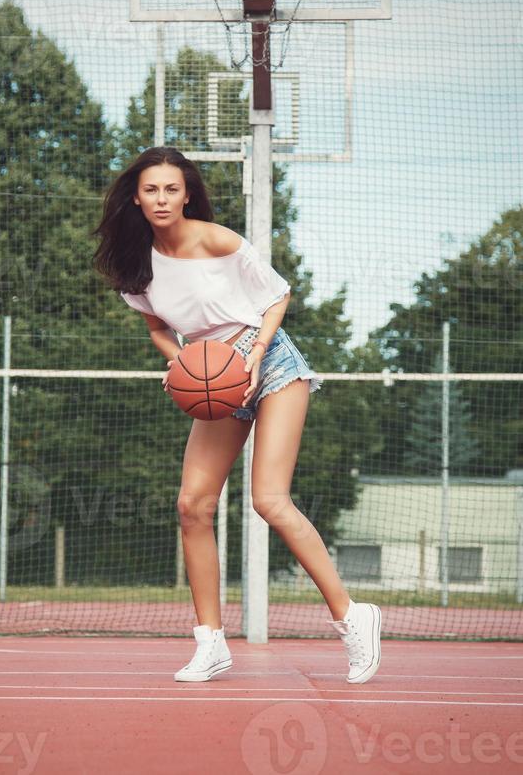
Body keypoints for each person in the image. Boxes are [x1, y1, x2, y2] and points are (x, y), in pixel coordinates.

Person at [93, 146, 382, 685]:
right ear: (136, 196)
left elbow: (277, 295)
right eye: (151, 189)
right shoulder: (136, 260)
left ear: (186, 194)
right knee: (192, 505)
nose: (161, 199)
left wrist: (251, 354)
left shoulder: (216, 239)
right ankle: (210, 643)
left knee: (269, 499)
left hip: (268, 361)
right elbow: (157, 325)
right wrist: (180, 362)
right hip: (215, 374)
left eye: (171, 189)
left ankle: (352, 615)